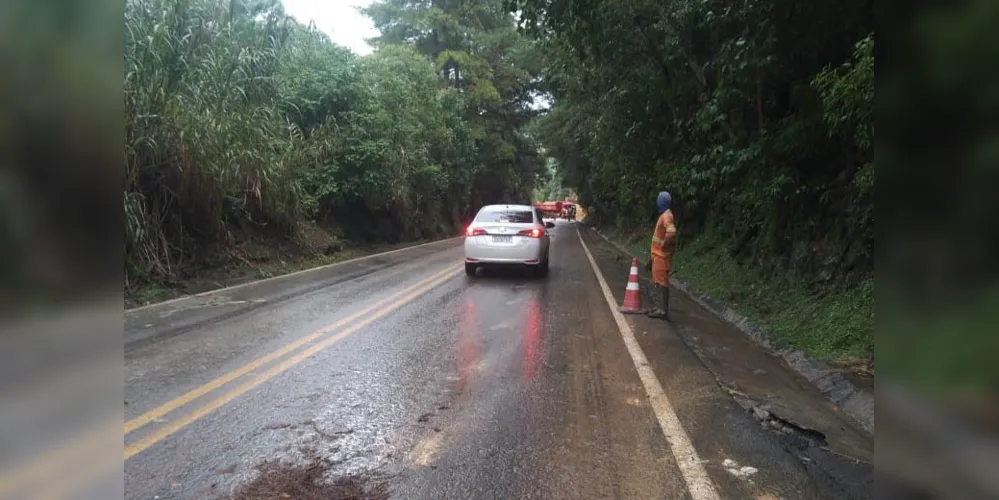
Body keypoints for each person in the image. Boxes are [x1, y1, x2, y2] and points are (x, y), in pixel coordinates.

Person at [647, 191, 676, 320]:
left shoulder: (667, 216)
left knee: (662, 282)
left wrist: (663, 245)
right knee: (657, 281)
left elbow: (671, 232)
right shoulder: (665, 215)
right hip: (657, 255)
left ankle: (663, 310)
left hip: (662, 255)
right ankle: (659, 307)